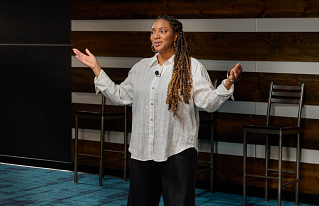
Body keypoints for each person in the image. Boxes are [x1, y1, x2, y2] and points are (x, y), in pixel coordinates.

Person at [72, 15, 242, 206]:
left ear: (176, 36)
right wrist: (96, 68)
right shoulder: (141, 67)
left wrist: (228, 82)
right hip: (142, 151)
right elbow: (120, 96)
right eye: (153, 31)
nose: (156, 36)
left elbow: (208, 103)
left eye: (163, 31)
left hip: (177, 150)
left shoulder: (191, 67)